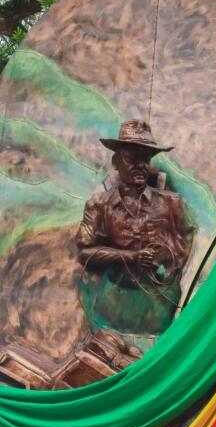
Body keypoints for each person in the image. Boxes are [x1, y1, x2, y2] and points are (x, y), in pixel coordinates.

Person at [76, 119, 192, 335]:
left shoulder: (172, 203)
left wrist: (169, 267)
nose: (139, 165)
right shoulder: (99, 205)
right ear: (115, 161)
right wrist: (131, 257)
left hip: (160, 303)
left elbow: (186, 242)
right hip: (115, 302)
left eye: (145, 159)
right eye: (131, 159)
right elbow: (84, 253)